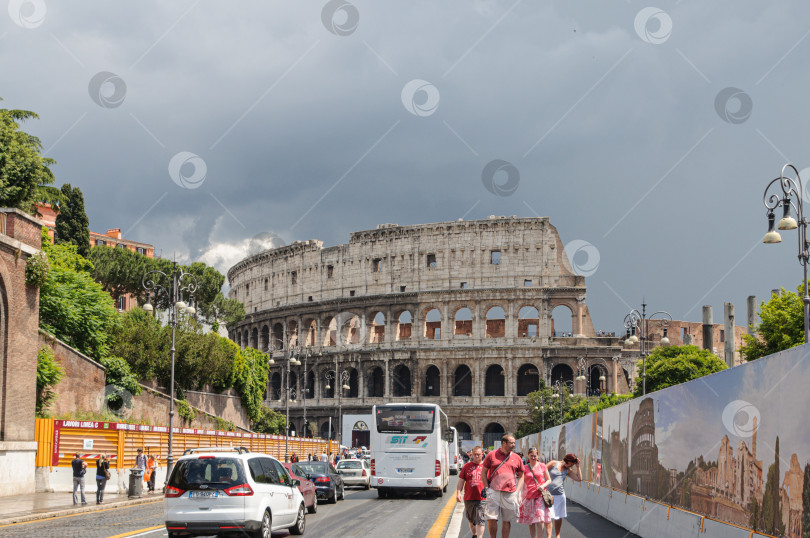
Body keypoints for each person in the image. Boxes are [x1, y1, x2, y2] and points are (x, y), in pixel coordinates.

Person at [482, 434, 524, 538]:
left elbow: (522, 476)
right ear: (504, 443)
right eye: (511, 443)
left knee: (507, 520)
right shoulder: (491, 455)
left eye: (514, 443)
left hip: (510, 493)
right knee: (491, 518)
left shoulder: (517, 457)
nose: (513, 445)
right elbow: (483, 472)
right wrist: (487, 488)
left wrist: (517, 492)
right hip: (493, 491)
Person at [546, 454, 582, 538]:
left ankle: (558, 535)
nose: (571, 466)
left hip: (560, 496)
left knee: (558, 517)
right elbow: (542, 470)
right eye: (571, 464)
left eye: (572, 465)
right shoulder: (553, 463)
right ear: (567, 460)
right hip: (548, 495)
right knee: (548, 517)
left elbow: (579, 478)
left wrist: (577, 467)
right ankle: (549, 536)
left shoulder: (567, 470)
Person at [518, 448, 552, 538]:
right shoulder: (524, 468)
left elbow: (549, 480)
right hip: (528, 496)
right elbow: (521, 481)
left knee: (540, 518)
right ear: (528, 456)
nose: (533, 457)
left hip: (540, 495)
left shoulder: (542, 466)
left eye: (535, 456)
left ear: (538, 456)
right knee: (531, 520)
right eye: (531, 456)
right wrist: (519, 494)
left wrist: (543, 485)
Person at [456, 446, 486, 538]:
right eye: (475, 454)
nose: (477, 456)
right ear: (472, 455)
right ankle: (474, 535)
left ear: (482, 454)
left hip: (482, 498)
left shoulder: (486, 467)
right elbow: (461, 481)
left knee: (480, 519)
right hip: (469, 498)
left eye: (479, 454)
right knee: (471, 519)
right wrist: (458, 493)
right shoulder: (466, 466)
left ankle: (479, 537)